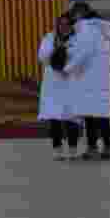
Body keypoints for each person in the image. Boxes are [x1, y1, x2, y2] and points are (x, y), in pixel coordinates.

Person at [63, 2, 110, 160]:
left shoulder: (87, 28)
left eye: (73, 14)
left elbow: (84, 52)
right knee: (100, 116)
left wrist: (67, 68)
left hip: (88, 79)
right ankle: (108, 147)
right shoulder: (99, 29)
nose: (72, 17)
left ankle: (94, 148)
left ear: (80, 13)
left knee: (91, 116)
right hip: (99, 79)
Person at [37, 13, 81, 160]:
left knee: (72, 117)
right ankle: (57, 149)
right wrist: (56, 51)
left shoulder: (78, 39)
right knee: (54, 117)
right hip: (53, 83)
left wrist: (67, 66)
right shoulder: (49, 38)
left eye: (67, 24)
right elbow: (42, 56)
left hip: (71, 81)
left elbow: (82, 57)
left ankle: (73, 149)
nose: (64, 27)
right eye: (61, 24)